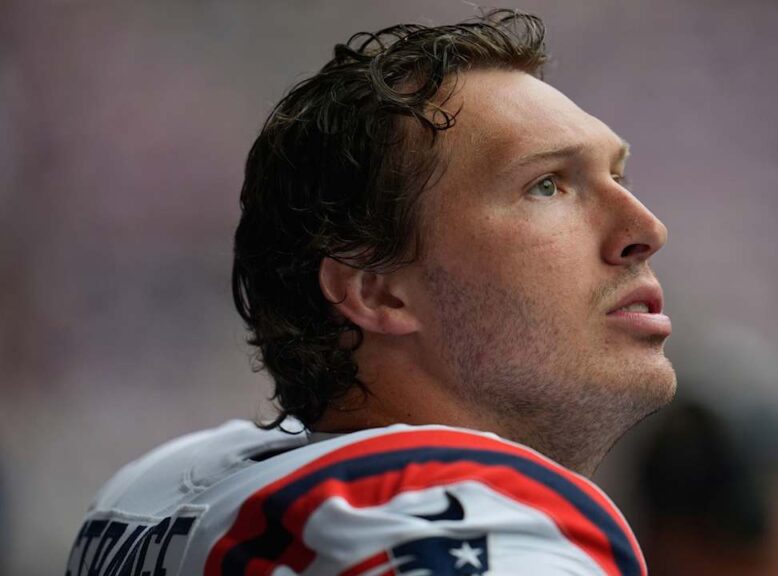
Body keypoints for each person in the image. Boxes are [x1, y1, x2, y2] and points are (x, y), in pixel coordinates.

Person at [66, 9, 675, 576]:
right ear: (377, 292)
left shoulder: (153, 489)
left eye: (617, 175)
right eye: (546, 185)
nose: (646, 229)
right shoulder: (448, 519)